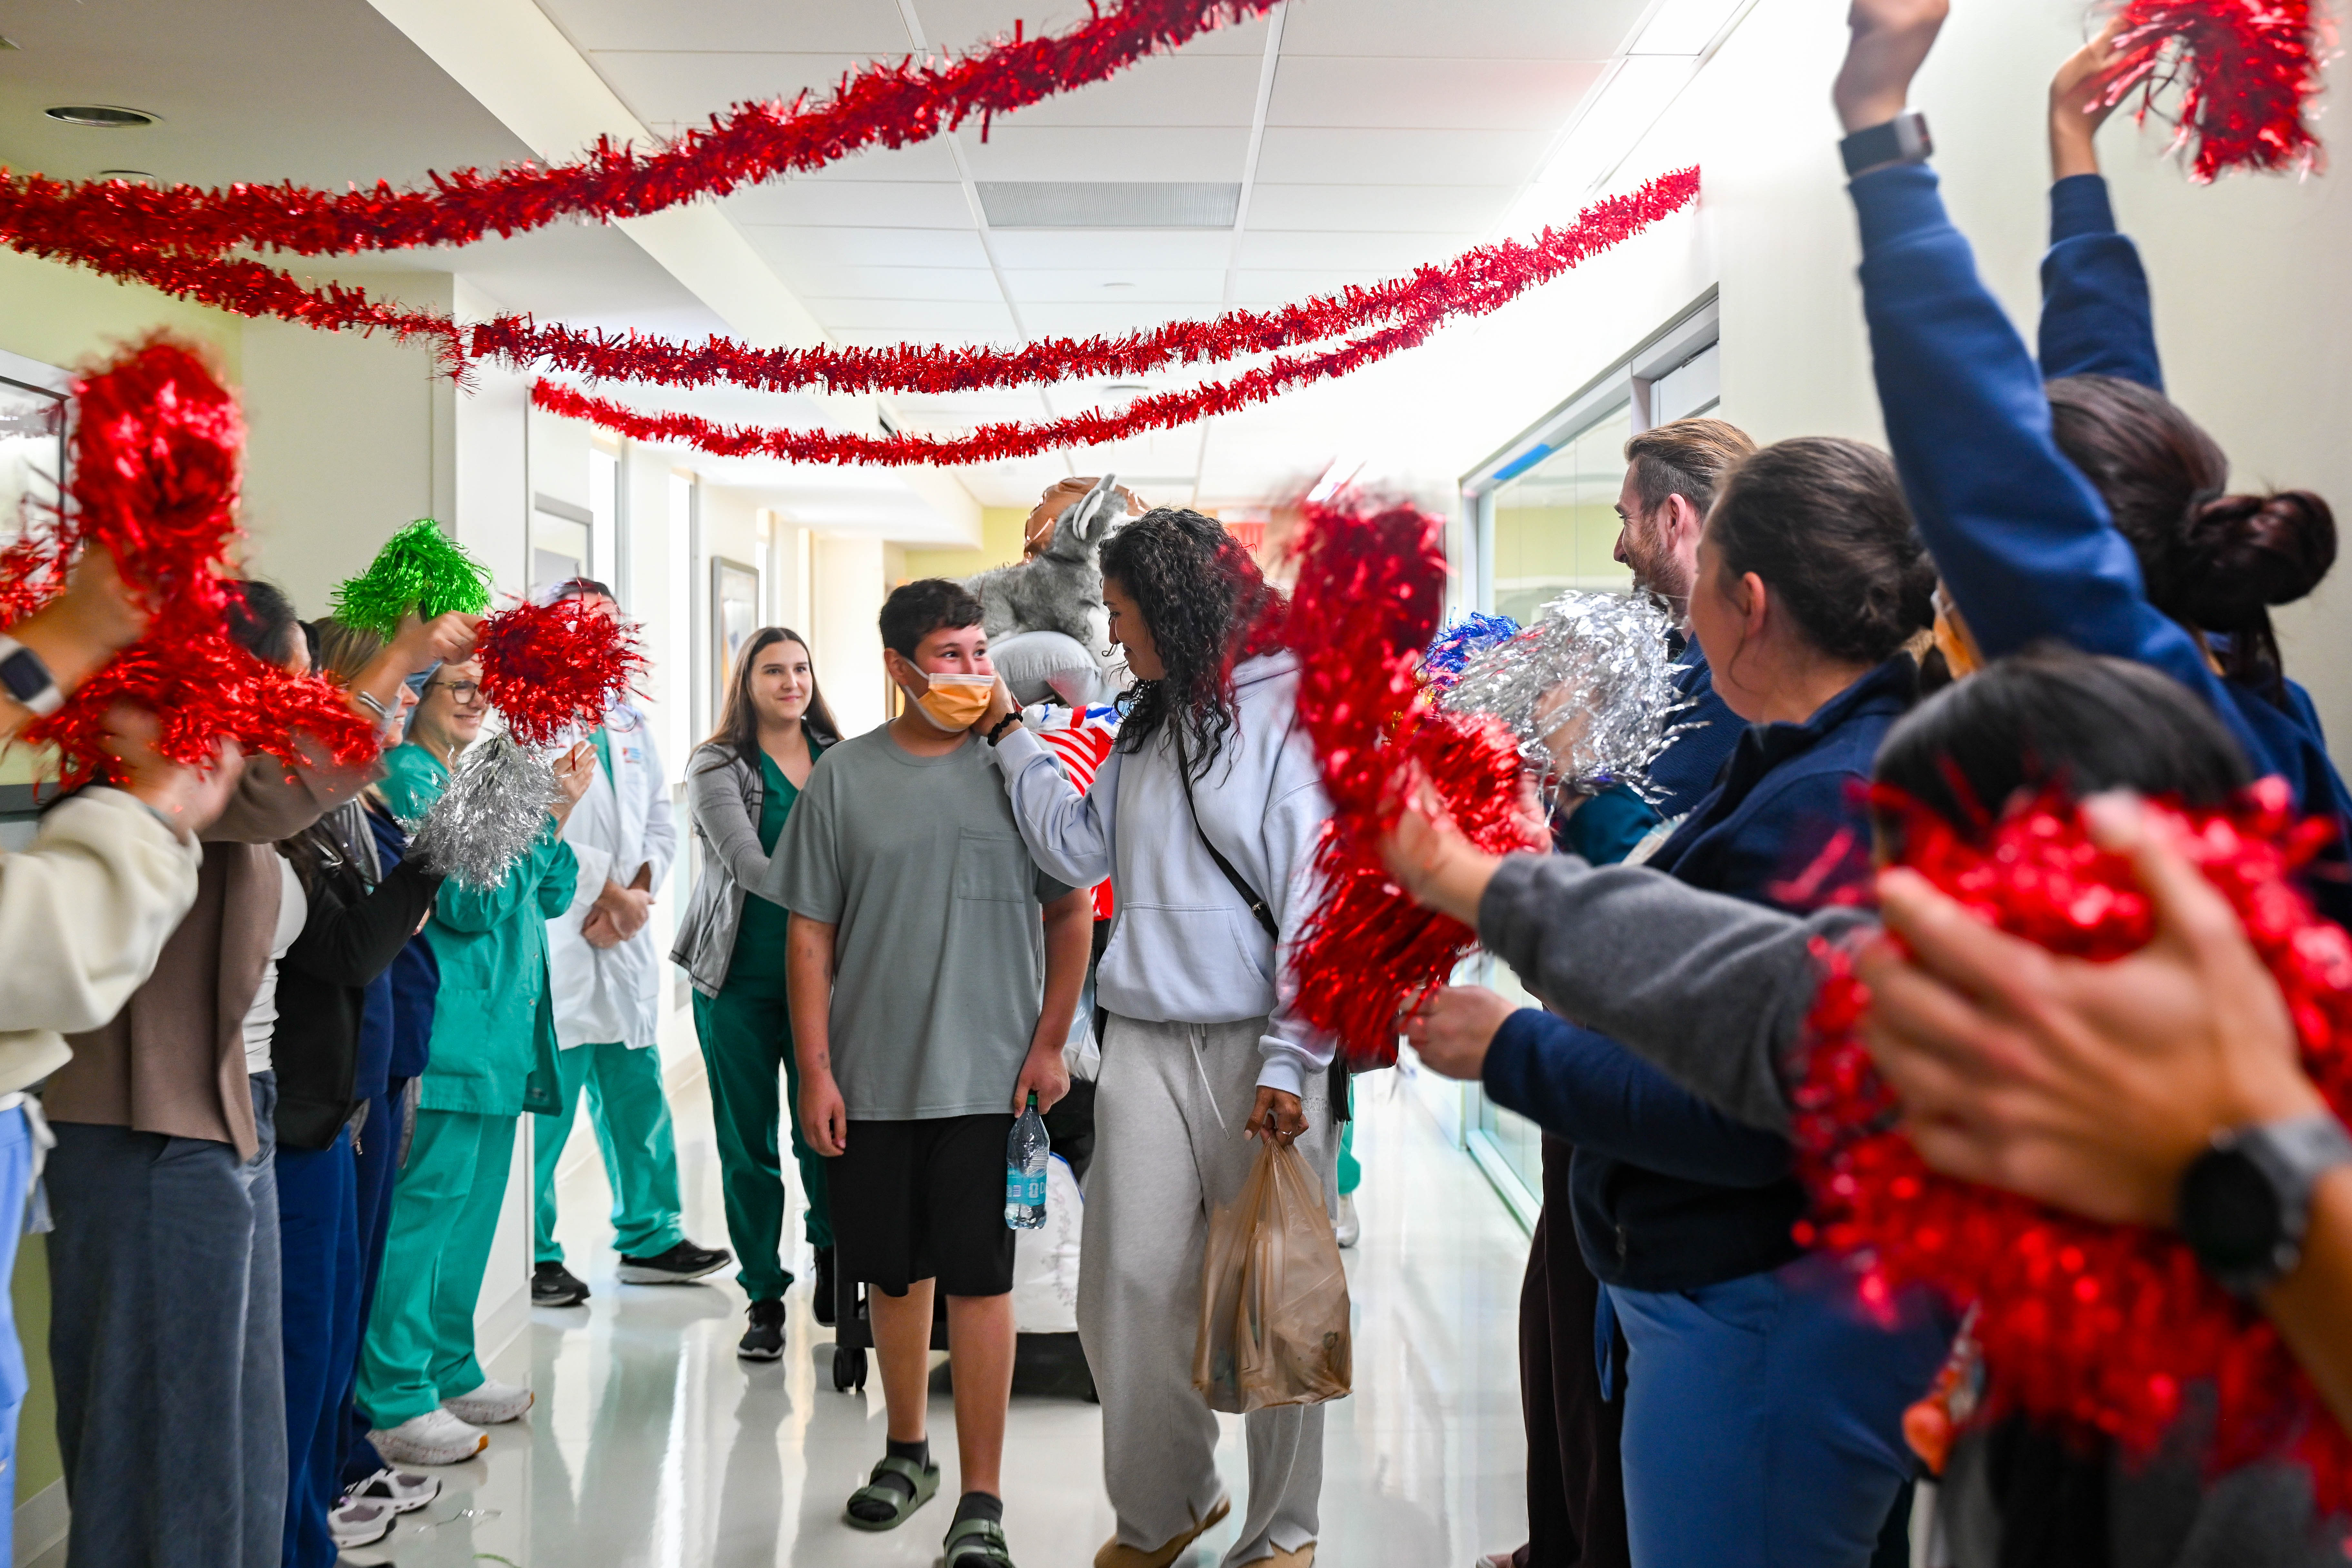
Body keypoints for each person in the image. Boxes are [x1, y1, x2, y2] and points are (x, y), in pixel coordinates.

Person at [1386, 645, 2346, 1567]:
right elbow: (1760, 989)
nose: (1888, 964)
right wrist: (1468, 880)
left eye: (1934, 922)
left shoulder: (2230, 1398)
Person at [1419, 440, 1951, 1568]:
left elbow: (1745, 1109)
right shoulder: (1792, 762)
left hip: (1765, 1305)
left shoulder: (1827, 802)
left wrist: (1514, 1047)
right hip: (1721, 1290)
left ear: (1745, 600)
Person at [1830, 0, 2352, 939]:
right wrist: (2069, 140)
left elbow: (1987, 451)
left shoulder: (2151, 724)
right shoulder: (2224, 686)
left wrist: (1876, 124)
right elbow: (2106, 412)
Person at [44, 584, 469, 1568]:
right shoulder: (155, 780)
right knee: (168, 1438)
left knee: (242, 1428)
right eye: (293, 675)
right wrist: (395, 663)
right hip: (148, 1131)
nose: (308, 696)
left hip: (236, 1115)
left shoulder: (237, 788)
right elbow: (297, 776)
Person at [973, 508, 1336, 1568]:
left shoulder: (1283, 718)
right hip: (1141, 1037)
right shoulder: (1143, 723)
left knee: (1278, 1294)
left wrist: (1291, 1058)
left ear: (1175, 608)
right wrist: (1007, 737)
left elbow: (1317, 904)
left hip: (1260, 1047)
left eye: (1123, 615)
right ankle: (1167, 1503)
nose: (1112, 637)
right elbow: (1079, 847)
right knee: (1125, 1285)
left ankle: (1284, 1532)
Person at [1481, 415, 1758, 1568]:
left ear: (1673, 519)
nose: (1617, 551)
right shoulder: (1686, 668)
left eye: (1622, 519)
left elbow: (1643, 878)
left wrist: (1567, 769)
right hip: (1604, 1054)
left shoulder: (1730, 695)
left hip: (1652, 1069)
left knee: (1605, 1345)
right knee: (1562, 1318)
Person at [773, 579, 1091, 1568]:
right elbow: (810, 937)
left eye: (977, 653)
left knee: (981, 1286)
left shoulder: (1016, 769)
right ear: (898, 668)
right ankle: (906, 1452)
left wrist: (1048, 1045)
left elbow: (1071, 910)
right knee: (892, 1275)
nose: (968, 673)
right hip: (870, 1079)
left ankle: (982, 1497)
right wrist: (817, 1073)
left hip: (990, 1082)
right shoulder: (844, 779)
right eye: (947, 656)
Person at [357, 658, 595, 1467]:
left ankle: (447, 1365)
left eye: (480, 687)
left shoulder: (474, 774)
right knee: (421, 1221)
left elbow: (553, 890)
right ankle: (393, 1394)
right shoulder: (409, 777)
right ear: (413, 691)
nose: (472, 699)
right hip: (451, 1036)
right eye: (453, 682)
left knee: (468, 1224)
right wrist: (547, 812)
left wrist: (547, 810)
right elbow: (469, 901)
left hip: (500, 1035)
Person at [270, 617, 450, 1562]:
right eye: (394, 688)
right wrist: (431, 865)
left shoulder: (343, 808)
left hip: (352, 1087)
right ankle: (305, 1521)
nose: (406, 705)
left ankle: (324, 1491)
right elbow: (347, 948)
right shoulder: (286, 810)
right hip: (306, 1100)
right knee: (306, 1338)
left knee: (336, 1316)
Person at [531, 579, 726, 1308]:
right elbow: (537, 833)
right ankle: (536, 1250)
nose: (596, 640)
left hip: (624, 937)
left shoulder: (627, 719)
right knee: (549, 1111)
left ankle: (650, 1235)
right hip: (562, 937)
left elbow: (659, 821)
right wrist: (607, 897)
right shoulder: (528, 722)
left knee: (638, 1097)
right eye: (580, 627)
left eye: (607, 628)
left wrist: (636, 897)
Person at [675, 625, 843, 1360]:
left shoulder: (843, 761)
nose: (790, 682)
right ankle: (764, 1295)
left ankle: (833, 1260)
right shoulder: (718, 763)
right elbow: (748, 862)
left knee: (827, 1135)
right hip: (737, 982)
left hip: (828, 987)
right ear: (746, 682)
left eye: (800, 668)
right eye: (772, 670)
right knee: (748, 1147)